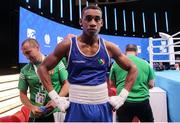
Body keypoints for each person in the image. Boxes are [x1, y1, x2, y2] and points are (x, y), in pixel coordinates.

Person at [37, 5, 137, 122]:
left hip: (102, 106)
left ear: (101, 23)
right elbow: (42, 68)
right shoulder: (67, 46)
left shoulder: (109, 47)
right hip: (76, 105)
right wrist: (56, 98)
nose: (93, 23)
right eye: (88, 18)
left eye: (97, 19)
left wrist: (122, 97)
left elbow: (133, 68)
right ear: (81, 21)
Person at [18, 38, 69, 122]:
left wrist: (56, 100)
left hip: (56, 111)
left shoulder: (56, 63)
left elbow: (67, 84)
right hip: (37, 114)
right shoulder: (24, 70)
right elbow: (22, 95)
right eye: (24, 54)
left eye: (28, 52)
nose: (27, 57)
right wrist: (32, 107)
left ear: (37, 48)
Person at [109, 44, 155, 122]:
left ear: (125, 52)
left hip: (123, 101)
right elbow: (151, 84)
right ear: (137, 52)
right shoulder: (146, 64)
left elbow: (111, 84)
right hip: (142, 101)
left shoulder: (116, 64)